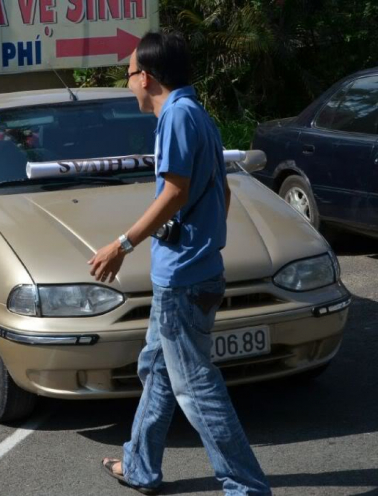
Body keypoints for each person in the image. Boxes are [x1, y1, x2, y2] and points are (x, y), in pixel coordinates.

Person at [89, 33, 271, 495]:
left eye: (128, 74)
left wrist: (121, 246)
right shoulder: (196, 114)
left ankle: (246, 487)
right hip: (195, 268)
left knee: (195, 389)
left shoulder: (175, 116)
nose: (128, 83)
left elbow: (175, 192)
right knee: (156, 368)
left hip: (184, 279)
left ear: (145, 76)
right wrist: (202, 238)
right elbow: (222, 192)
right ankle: (140, 466)